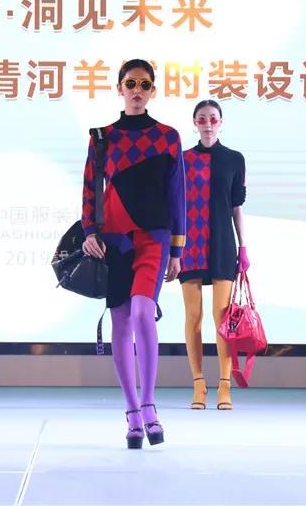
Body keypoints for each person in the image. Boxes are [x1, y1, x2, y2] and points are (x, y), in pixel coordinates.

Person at [81, 59, 185, 449]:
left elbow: (177, 195)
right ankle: (132, 412)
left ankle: (149, 403)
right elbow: (90, 188)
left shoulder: (168, 137)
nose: (137, 90)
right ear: (119, 88)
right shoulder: (102, 138)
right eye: (130, 83)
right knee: (121, 323)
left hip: (154, 237)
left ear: (153, 90)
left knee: (143, 313)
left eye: (144, 84)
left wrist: (177, 248)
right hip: (115, 240)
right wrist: (89, 231)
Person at [178, 100, 249, 410]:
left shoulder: (234, 159)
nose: (208, 124)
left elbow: (236, 208)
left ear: (221, 122)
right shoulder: (182, 160)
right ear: (195, 123)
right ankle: (198, 385)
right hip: (189, 243)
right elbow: (174, 207)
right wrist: (172, 249)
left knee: (222, 318)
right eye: (202, 119)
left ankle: (224, 386)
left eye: (213, 118)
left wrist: (243, 246)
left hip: (222, 243)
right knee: (193, 316)